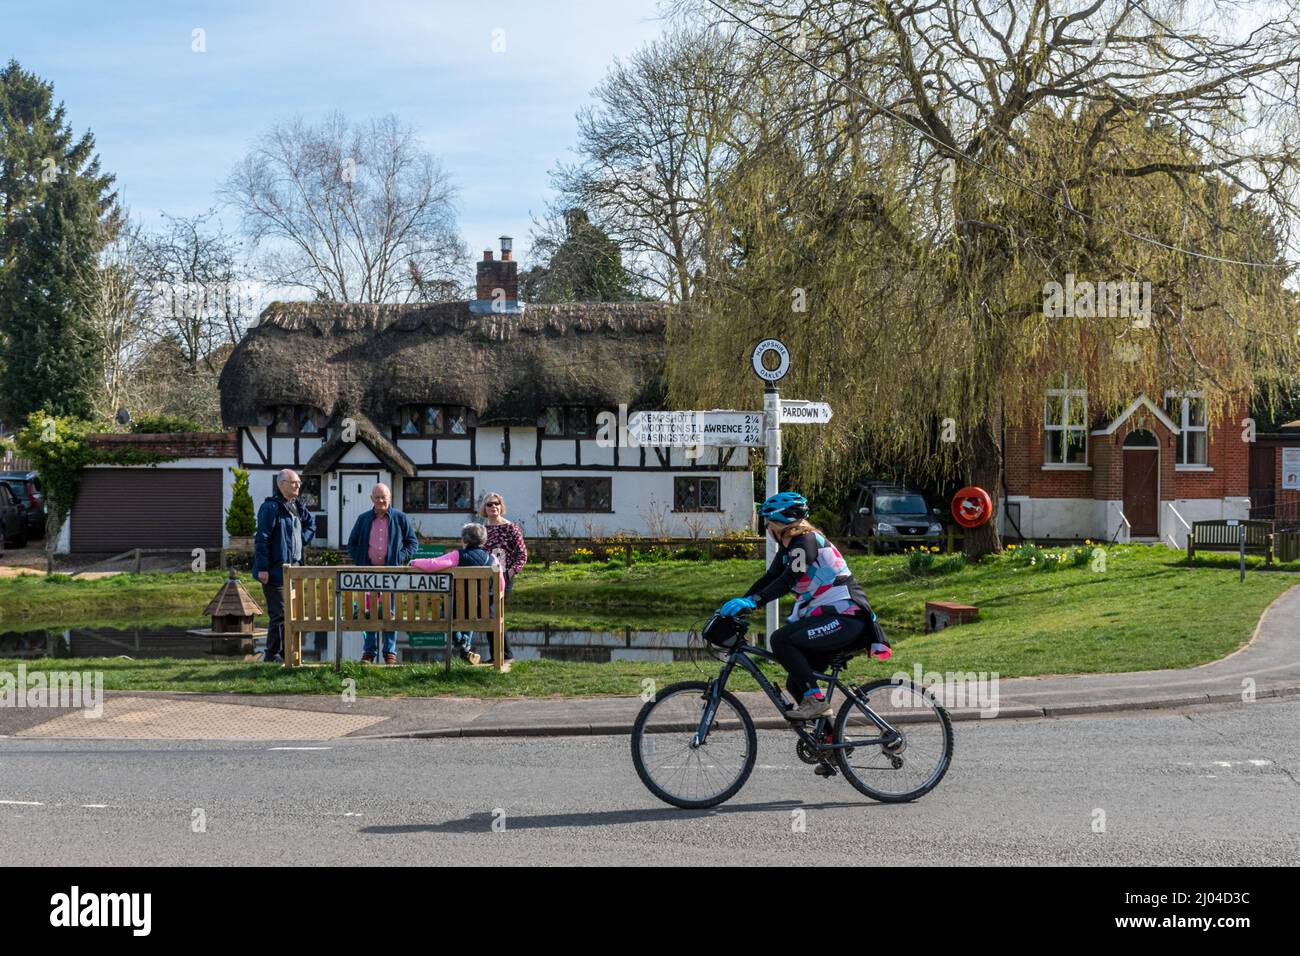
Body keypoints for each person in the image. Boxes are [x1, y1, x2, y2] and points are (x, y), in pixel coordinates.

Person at [716, 491, 892, 721]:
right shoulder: (789, 549)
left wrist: (754, 601)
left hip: (847, 618)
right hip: (834, 617)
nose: (767, 531)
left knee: (780, 639)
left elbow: (787, 580)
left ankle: (816, 701)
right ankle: (829, 740)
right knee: (796, 682)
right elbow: (770, 578)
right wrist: (743, 602)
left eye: (768, 525)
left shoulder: (805, 543)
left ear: (779, 526)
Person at [409, 523, 505, 666]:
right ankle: (465, 649)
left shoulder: (457, 555)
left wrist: (414, 561)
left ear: (463, 540)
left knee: (445, 613)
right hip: (482, 611)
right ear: (483, 541)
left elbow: (433, 564)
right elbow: (501, 585)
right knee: (470, 613)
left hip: (456, 610)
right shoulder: (493, 559)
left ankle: (463, 647)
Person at [346, 483, 419, 664]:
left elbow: (413, 543)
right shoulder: (363, 519)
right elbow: (352, 543)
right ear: (371, 499)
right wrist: (360, 560)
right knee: (368, 612)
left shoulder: (400, 518)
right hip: (368, 573)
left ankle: (390, 652)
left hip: (390, 574)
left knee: (389, 612)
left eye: (383, 497)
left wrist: (398, 557)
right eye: (377, 497)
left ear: (390, 498)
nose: (380, 500)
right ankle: (369, 651)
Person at [253, 469, 316, 663]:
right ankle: (275, 654)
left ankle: (279, 654)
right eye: (294, 482)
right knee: (280, 613)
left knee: (289, 613)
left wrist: (301, 540)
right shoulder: (270, 507)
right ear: (282, 484)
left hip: (294, 569)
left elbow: (311, 525)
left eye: (299, 482)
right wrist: (263, 568)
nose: (298, 485)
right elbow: (262, 539)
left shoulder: (297, 505)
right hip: (274, 571)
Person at [480, 492, 526, 664]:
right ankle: (497, 656)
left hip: (504, 576)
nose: (493, 507)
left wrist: (512, 572)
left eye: (496, 503)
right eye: (490, 504)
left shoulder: (510, 527)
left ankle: (505, 656)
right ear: (484, 508)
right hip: (485, 577)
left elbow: (522, 553)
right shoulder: (481, 529)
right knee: (487, 613)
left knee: (495, 612)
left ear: (501, 506)